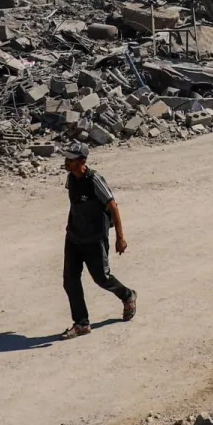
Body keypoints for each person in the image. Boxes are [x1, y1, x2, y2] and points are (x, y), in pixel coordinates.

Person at [61, 142, 136, 340]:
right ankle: (81, 323)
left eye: (71, 159)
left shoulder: (94, 179)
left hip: (94, 238)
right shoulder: (71, 178)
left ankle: (127, 295)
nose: (66, 162)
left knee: (101, 278)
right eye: (67, 158)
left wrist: (120, 237)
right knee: (70, 281)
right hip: (74, 236)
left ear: (83, 161)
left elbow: (113, 206)